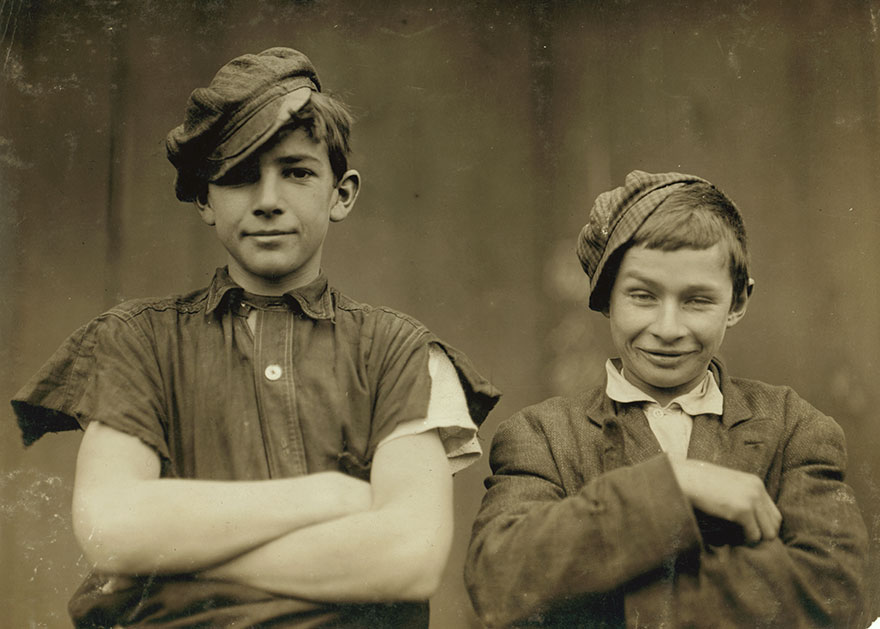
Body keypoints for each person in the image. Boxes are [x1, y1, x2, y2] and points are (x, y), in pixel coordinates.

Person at [10, 47, 500, 628]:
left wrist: (173, 571)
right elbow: (113, 531)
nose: (268, 201)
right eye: (240, 176)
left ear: (340, 193)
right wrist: (329, 496)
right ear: (203, 199)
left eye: (296, 172)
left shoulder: (402, 352)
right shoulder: (134, 341)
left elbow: (407, 561)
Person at [464, 170, 867, 628]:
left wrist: (607, 592)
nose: (668, 328)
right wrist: (676, 484)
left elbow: (832, 595)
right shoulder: (544, 435)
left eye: (697, 300)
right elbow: (500, 579)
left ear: (736, 303)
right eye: (642, 296)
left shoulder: (794, 428)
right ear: (605, 298)